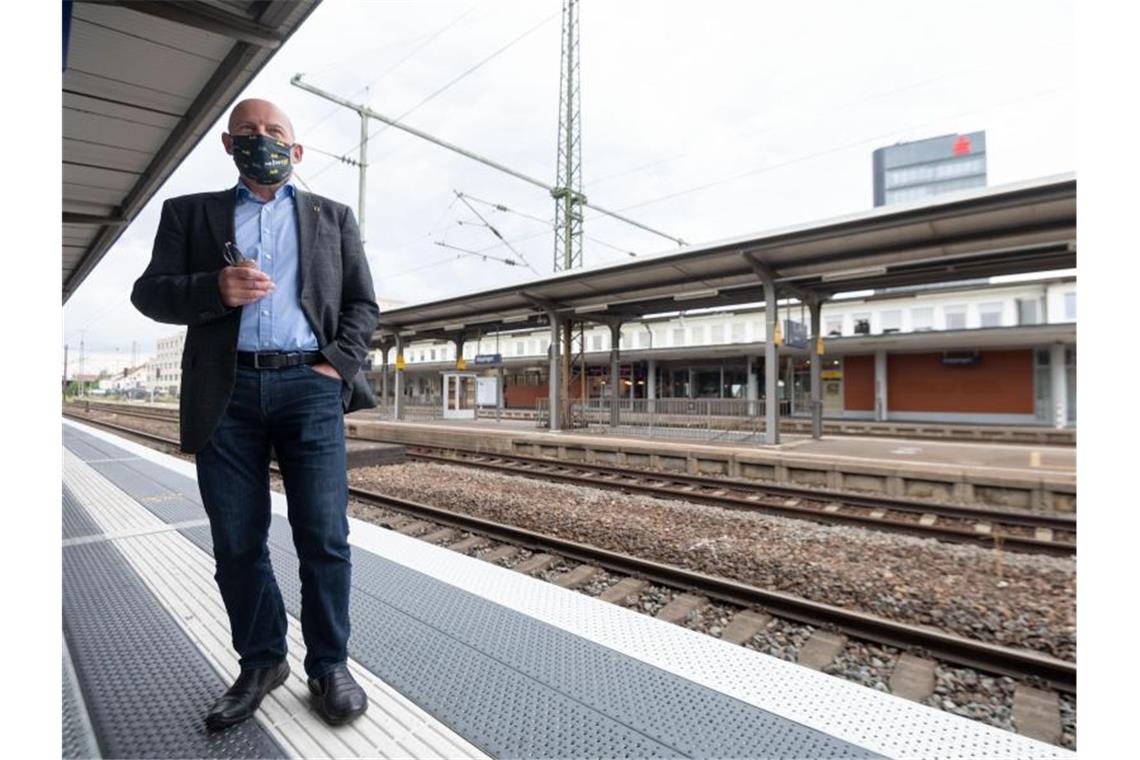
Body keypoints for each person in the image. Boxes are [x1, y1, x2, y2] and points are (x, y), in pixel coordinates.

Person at [130, 98, 380, 730]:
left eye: (274, 133)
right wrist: (211, 289)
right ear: (227, 144)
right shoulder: (189, 214)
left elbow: (361, 305)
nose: (260, 140)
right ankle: (262, 661)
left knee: (323, 535)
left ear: (296, 151)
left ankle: (330, 665)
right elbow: (149, 293)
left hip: (309, 388)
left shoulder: (334, 217)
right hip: (227, 390)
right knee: (237, 541)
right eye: (248, 132)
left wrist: (335, 365)